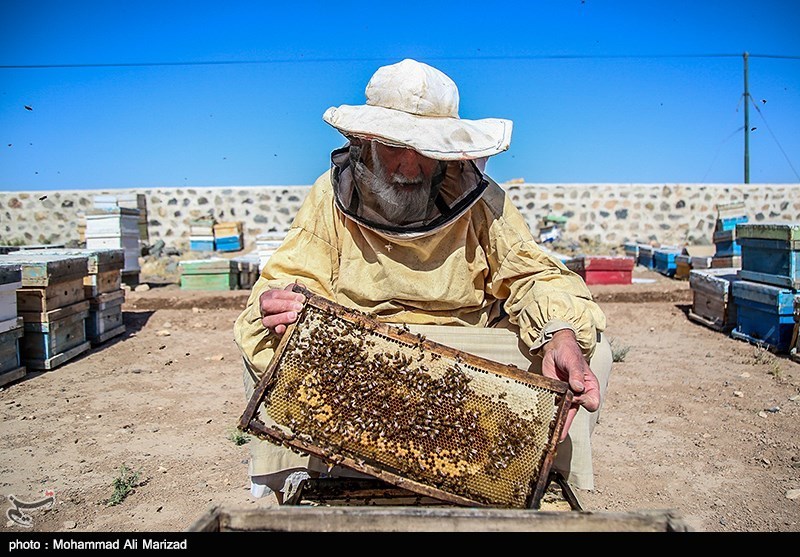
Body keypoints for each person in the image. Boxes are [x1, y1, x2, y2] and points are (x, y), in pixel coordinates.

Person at [233, 58, 611, 504]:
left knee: (587, 350)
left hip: (467, 349)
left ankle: (525, 475)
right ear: (365, 142)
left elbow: (534, 274)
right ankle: (313, 472)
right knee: (272, 338)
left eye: (426, 149)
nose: (410, 167)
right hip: (363, 353)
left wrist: (560, 333)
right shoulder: (327, 197)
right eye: (395, 146)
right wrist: (288, 304)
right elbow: (289, 277)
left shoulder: (483, 201)